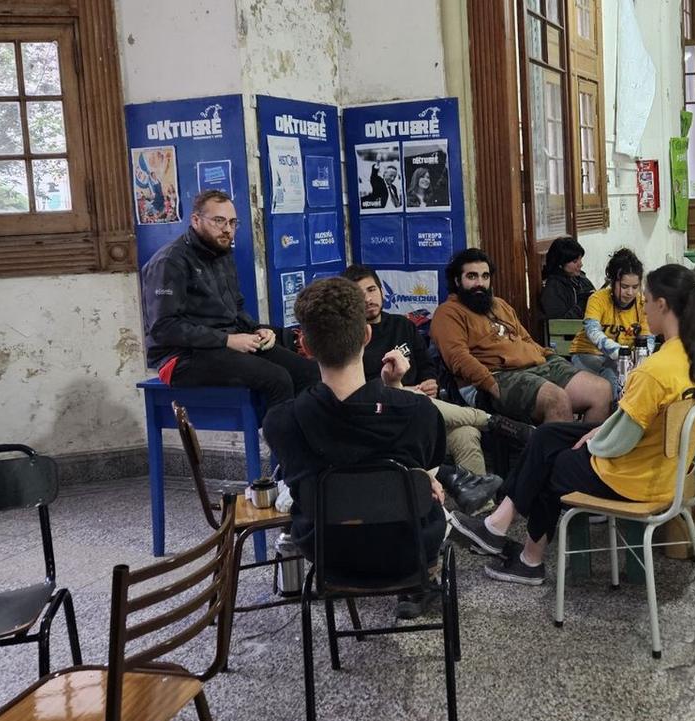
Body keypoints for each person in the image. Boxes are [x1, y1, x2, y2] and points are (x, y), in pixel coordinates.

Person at [448, 264, 695, 585]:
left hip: (635, 477)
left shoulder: (656, 370)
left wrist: (595, 441)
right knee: (549, 435)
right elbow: (636, 424)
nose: (643, 308)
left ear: (662, 305)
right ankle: (497, 525)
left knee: (549, 462)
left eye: (646, 300)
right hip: (671, 469)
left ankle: (528, 559)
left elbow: (620, 441)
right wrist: (603, 429)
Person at [263, 277, 447, 619]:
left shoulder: (281, 422)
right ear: (366, 335)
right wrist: (396, 390)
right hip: (411, 552)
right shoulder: (419, 412)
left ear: (304, 343)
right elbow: (421, 468)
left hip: (330, 556)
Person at [343, 264, 534, 513]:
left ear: (381, 290)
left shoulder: (403, 326)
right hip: (390, 419)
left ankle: (482, 515)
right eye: (359, 294)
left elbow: (426, 364)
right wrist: (406, 389)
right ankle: (492, 420)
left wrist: (431, 380)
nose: (368, 299)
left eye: (372, 289)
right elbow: (361, 390)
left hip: (430, 416)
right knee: (414, 398)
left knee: (466, 434)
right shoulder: (351, 339)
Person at [141, 190, 318, 408]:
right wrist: (227, 341)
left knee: (308, 372)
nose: (227, 230)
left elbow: (236, 309)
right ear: (196, 220)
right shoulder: (170, 261)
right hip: (180, 357)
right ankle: (281, 439)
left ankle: (302, 438)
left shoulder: (222, 254)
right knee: (277, 378)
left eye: (233, 223)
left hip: (224, 344)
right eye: (219, 221)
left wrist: (255, 330)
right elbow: (164, 328)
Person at [430, 248, 612, 425]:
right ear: (457, 280)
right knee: (556, 399)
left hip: (537, 366)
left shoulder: (499, 304)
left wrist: (550, 356)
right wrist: (490, 384)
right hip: (497, 376)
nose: (480, 283)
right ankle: (557, 456)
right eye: (472, 276)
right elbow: (458, 357)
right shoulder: (448, 313)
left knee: (602, 391)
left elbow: (525, 339)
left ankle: (583, 453)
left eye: (485, 276)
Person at [568, 248, 654, 397]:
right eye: (624, 287)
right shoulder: (598, 299)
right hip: (588, 354)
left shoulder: (642, 303)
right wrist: (619, 352)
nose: (630, 293)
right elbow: (593, 331)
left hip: (625, 360)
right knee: (612, 375)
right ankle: (615, 416)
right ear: (613, 283)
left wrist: (640, 359)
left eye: (635, 287)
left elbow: (648, 339)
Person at [539, 236, 595, 319]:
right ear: (561, 263)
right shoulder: (553, 288)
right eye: (575, 261)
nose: (581, 264)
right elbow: (560, 324)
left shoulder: (580, 278)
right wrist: (583, 304)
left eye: (580, 259)